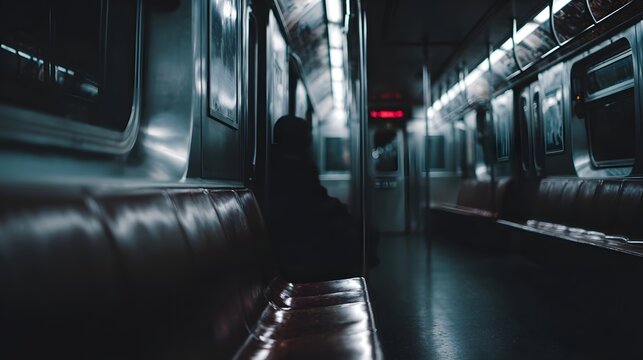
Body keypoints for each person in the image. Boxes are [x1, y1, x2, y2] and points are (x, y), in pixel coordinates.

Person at [266, 115, 361, 282]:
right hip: (297, 237)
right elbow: (305, 204)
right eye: (307, 137)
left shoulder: (280, 163)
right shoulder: (294, 168)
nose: (310, 142)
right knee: (353, 236)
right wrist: (336, 207)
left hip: (300, 228)